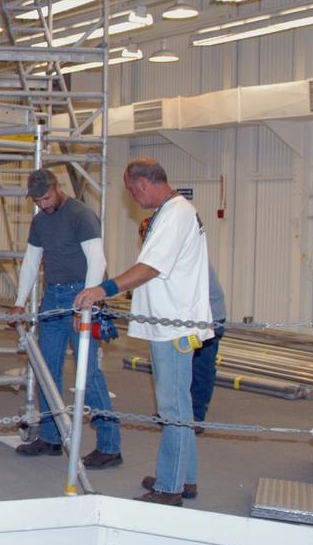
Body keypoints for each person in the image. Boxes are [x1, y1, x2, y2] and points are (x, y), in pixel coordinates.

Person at [75, 157, 213, 506]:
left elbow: (151, 266)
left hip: (175, 326)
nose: (132, 197)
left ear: (143, 183)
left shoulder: (176, 213)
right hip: (167, 323)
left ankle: (170, 487)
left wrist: (103, 289)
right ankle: (186, 477)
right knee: (176, 405)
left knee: (172, 408)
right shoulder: (172, 211)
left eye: (131, 190)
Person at [7, 169, 122, 467]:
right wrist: (20, 302)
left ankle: (110, 447)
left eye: (46, 197)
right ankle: (51, 437)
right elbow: (31, 262)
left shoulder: (80, 215)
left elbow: (98, 260)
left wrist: (86, 302)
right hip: (53, 297)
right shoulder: (39, 221)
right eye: (37, 200)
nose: (43, 204)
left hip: (81, 294)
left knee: (88, 373)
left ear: (58, 188)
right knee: (47, 369)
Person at [139, 216, 227, 439]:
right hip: (188, 319)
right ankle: (176, 413)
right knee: (179, 369)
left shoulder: (182, 254)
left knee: (201, 368)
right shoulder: (167, 254)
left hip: (208, 317)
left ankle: (195, 417)